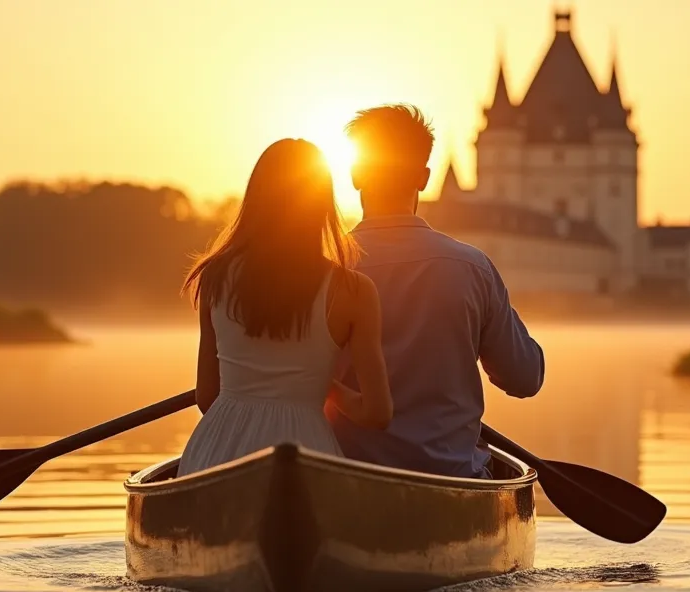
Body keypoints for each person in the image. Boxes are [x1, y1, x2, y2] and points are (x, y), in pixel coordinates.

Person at [328, 105, 545, 478]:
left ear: (355, 175)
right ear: (424, 177)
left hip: (342, 476)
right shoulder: (473, 268)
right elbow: (525, 377)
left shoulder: (321, 270)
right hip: (453, 474)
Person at [178, 138, 393, 477]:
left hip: (218, 451)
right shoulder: (353, 291)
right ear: (321, 203)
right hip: (307, 448)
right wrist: (327, 387)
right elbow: (377, 413)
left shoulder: (214, 276)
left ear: (256, 199)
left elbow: (207, 396)